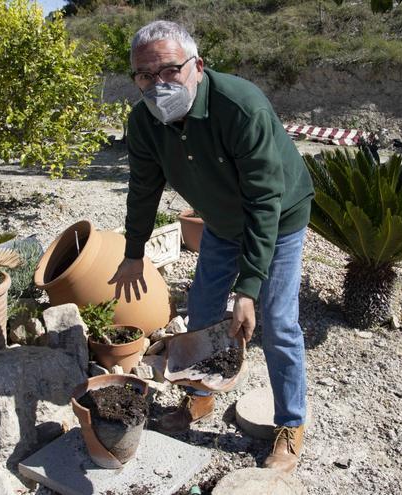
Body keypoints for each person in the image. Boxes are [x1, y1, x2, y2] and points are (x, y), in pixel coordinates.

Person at [108, 20, 314, 474]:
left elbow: (264, 200)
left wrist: (248, 288)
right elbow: (143, 189)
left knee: (277, 323)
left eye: (167, 71)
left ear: (197, 66)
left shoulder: (240, 107)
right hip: (221, 221)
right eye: (144, 75)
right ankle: (199, 399)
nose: (156, 84)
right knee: (201, 312)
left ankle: (291, 426)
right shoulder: (144, 122)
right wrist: (134, 251)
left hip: (278, 219)